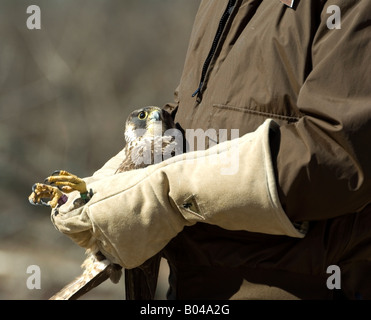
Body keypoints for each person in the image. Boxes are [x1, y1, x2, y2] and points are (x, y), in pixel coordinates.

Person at [41, 0, 371, 299]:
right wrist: (124, 176)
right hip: (191, 283)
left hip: (296, 286)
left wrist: (168, 195)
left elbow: (340, 153)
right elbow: (197, 111)